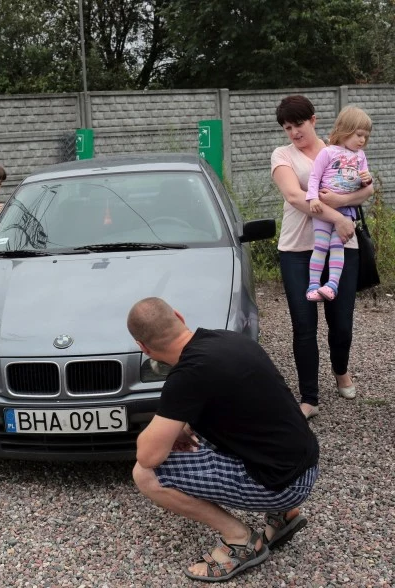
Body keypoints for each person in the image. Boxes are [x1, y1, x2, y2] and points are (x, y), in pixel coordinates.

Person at [127, 297, 319, 583]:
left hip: (282, 484)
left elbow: (148, 456)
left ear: (143, 348)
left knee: (145, 475)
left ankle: (240, 541)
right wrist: (182, 425)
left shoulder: (187, 376)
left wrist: (167, 427)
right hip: (305, 464)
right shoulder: (227, 339)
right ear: (179, 317)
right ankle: (283, 517)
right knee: (204, 438)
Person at [271, 95, 374, 419]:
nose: (294, 133)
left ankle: (341, 370)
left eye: (298, 125)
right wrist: (340, 217)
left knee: (341, 323)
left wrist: (344, 199)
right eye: (288, 128)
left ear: (313, 120)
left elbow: (367, 190)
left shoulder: (342, 149)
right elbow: (295, 196)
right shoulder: (282, 155)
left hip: (343, 247)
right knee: (304, 324)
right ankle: (310, 397)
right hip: (297, 250)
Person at [304, 106, 373, 302]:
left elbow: (365, 183)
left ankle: (332, 285)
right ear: (344, 130)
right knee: (321, 245)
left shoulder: (361, 156)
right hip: (324, 210)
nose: (362, 140)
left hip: (347, 210)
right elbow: (315, 176)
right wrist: (313, 198)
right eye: (359, 135)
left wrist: (367, 179)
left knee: (337, 246)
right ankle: (314, 285)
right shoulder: (328, 152)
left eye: (365, 137)